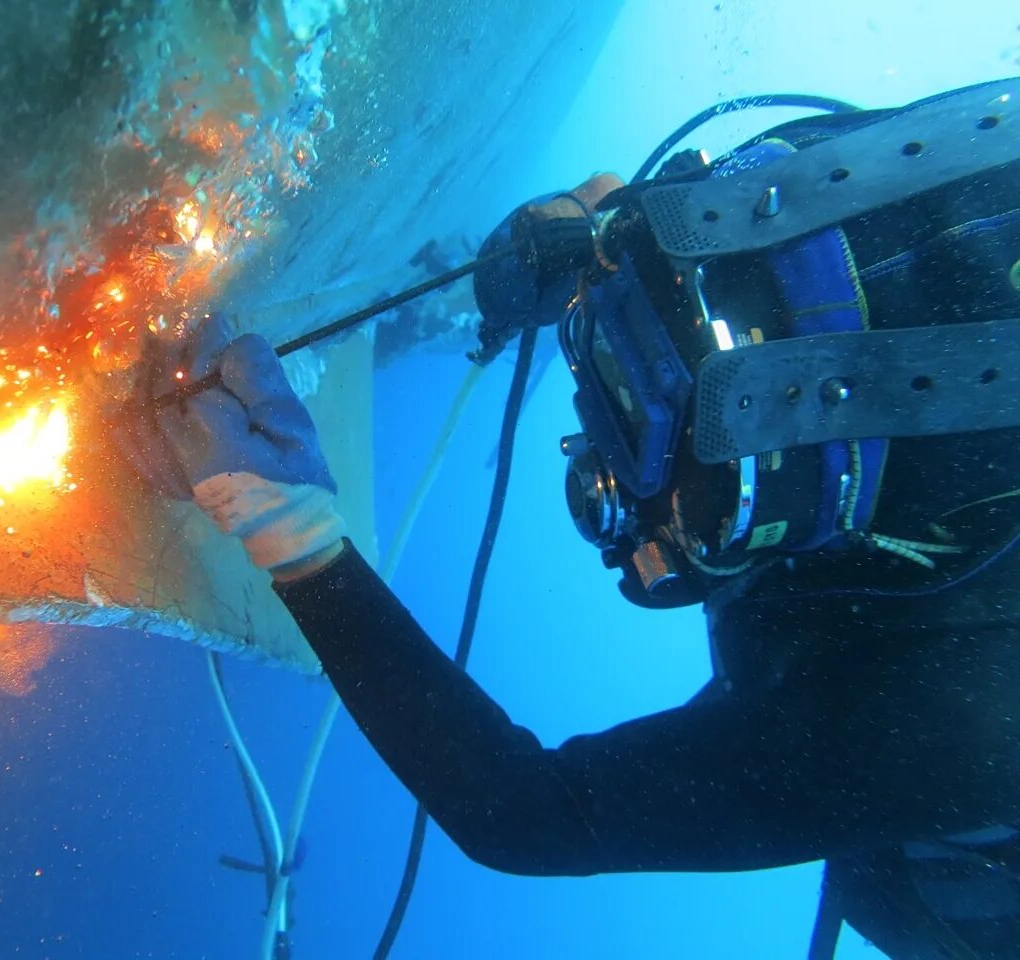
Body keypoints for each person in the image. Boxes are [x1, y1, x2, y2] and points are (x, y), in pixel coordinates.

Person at [119, 78, 1020, 959]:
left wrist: (293, 533)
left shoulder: (964, 724)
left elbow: (525, 811)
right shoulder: (973, 180)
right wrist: (612, 231)